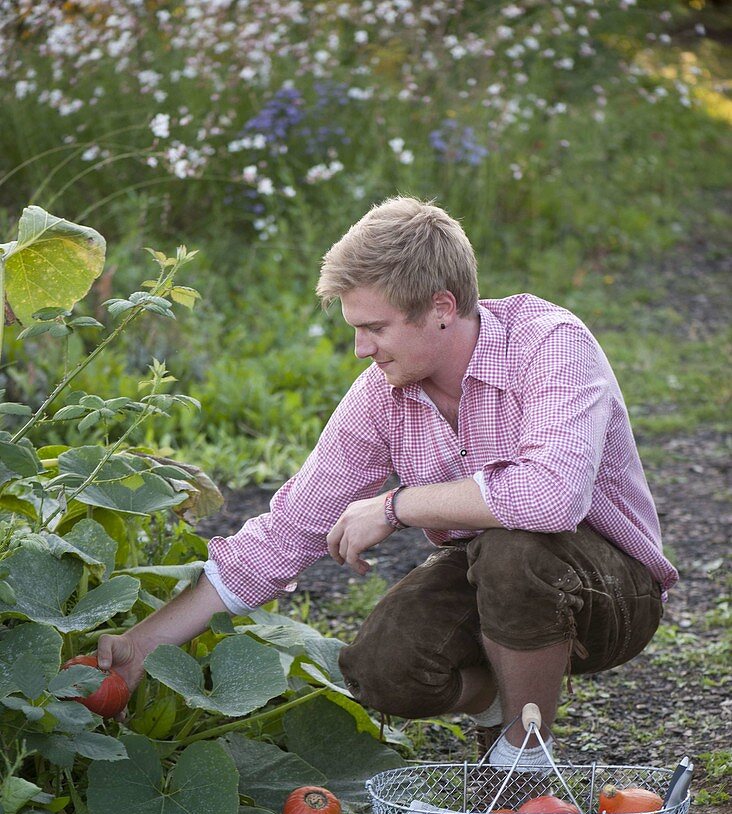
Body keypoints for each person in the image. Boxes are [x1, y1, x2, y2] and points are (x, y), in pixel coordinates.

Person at [98, 197, 677, 768]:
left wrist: (396, 507)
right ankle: (504, 700)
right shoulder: (384, 395)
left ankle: (524, 764)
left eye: (376, 327)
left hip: (611, 593)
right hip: (496, 579)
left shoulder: (549, 344)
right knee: (382, 670)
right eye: (356, 328)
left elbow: (551, 498)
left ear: (442, 306)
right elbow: (289, 532)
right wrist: (142, 645)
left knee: (514, 549)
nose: (361, 349)